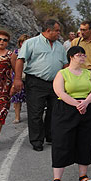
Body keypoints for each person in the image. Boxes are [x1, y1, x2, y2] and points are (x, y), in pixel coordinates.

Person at [49, 46, 91, 181]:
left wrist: (86, 102)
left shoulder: (88, 73)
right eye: (79, 55)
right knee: (62, 142)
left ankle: (83, 175)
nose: (82, 57)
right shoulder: (62, 73)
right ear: (71, 57)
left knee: (84, 141)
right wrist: (77, 104)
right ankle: (57, 178)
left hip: (86, 108)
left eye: (84, 55)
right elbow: (60, 91)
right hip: (66, 109)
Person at [14, 20, 67, 151]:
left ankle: (50, 136)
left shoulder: (60, 46)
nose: (59, 33)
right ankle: (37, 140)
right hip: (36, 82)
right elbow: (20, 60)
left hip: (55, 83)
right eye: (57, 31)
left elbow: (65, 64)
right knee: (35, 112)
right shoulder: (31, 43)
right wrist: (17, 79)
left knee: (54, 111)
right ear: (48, 30)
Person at [0, 31, 17, 151]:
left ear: (8, 42)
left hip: (3, 90)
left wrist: (14, 86)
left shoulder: (11, 55)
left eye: (4, 40)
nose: (1, 41)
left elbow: (17, 72)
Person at [10, 34, 29, 124]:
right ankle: (17, 116)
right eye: (22, 42)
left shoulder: (32, 52)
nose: (24, 43)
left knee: (30, 97)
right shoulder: (16, 52)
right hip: (19, 76)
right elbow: (13, 64)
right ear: (20, 43)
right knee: (17, 98)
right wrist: (18, 76)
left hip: (29, 77)